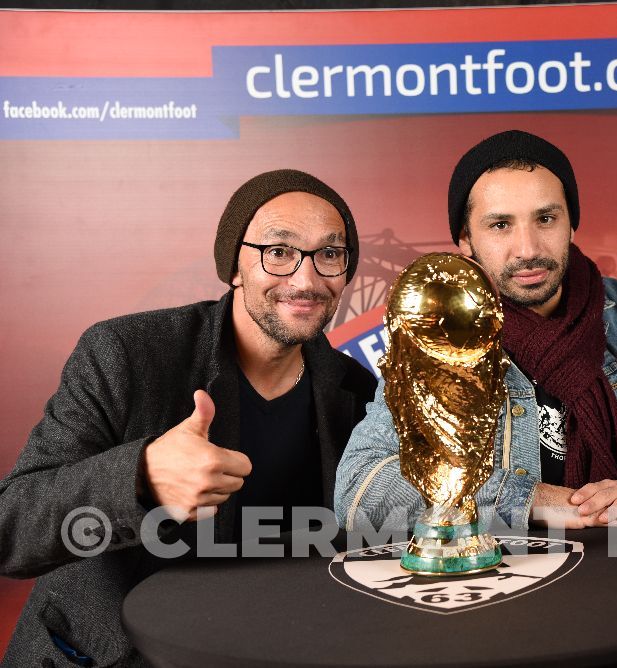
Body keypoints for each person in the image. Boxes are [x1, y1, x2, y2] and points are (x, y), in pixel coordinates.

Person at [0, 169, 377, 667]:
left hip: (265, 649)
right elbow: (12, 528)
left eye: (330, 254)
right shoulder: (126, 354)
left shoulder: (359, 390)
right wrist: (140, 477)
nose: (306, 279)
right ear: (235, 267)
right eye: (279, 252)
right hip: (117, 655)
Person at [335, 130, 617, 532]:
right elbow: (360, 488)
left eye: (546, 218)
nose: (527, 249)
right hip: (507, 578)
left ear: (572, 223)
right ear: (466, 238)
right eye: (500, 224)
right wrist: (528, 499)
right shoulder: (440, 327)